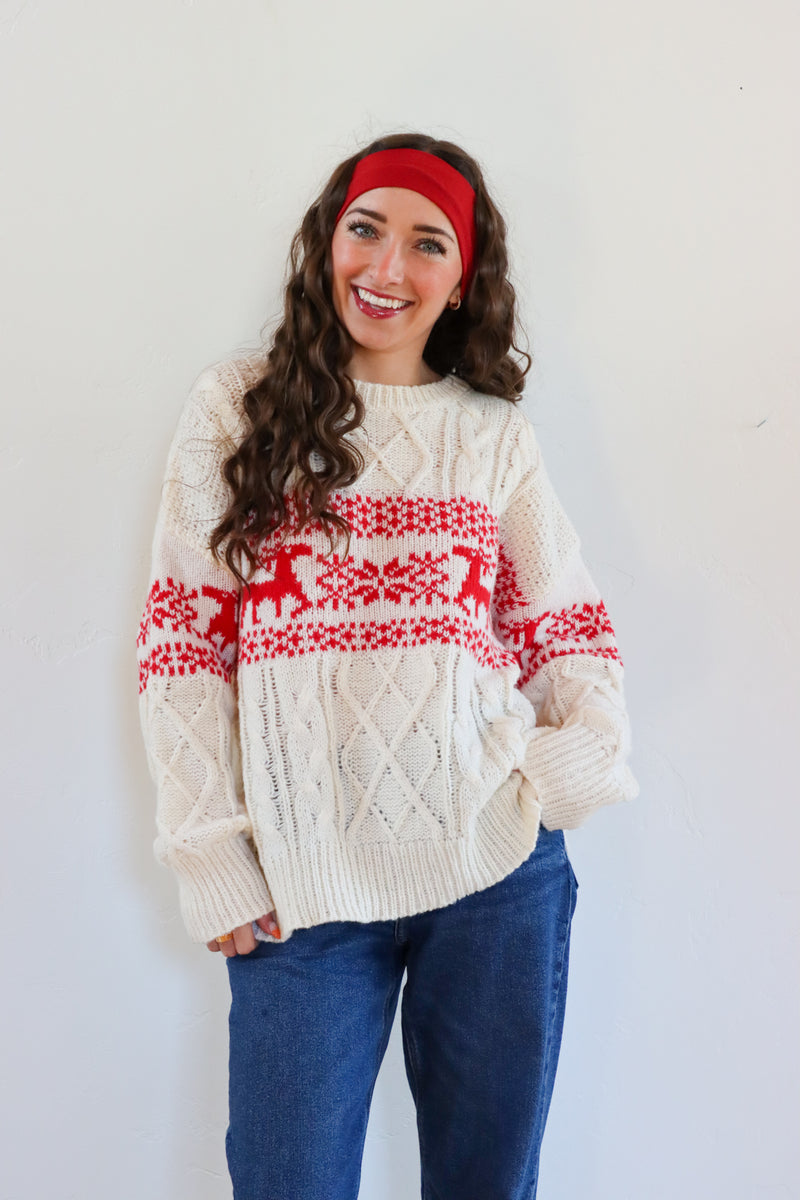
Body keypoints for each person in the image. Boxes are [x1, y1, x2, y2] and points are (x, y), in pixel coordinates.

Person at [137, 132, 638, 1200]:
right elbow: (183, 638)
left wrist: (565, 771)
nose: (385, 268)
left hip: (493, 873)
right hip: (299, 884)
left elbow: (570, 627)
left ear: (461, 283)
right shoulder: (240, 407)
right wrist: (209, 851)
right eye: (365, 229)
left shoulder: (491, 438)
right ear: (328, 241)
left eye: (425, 244)